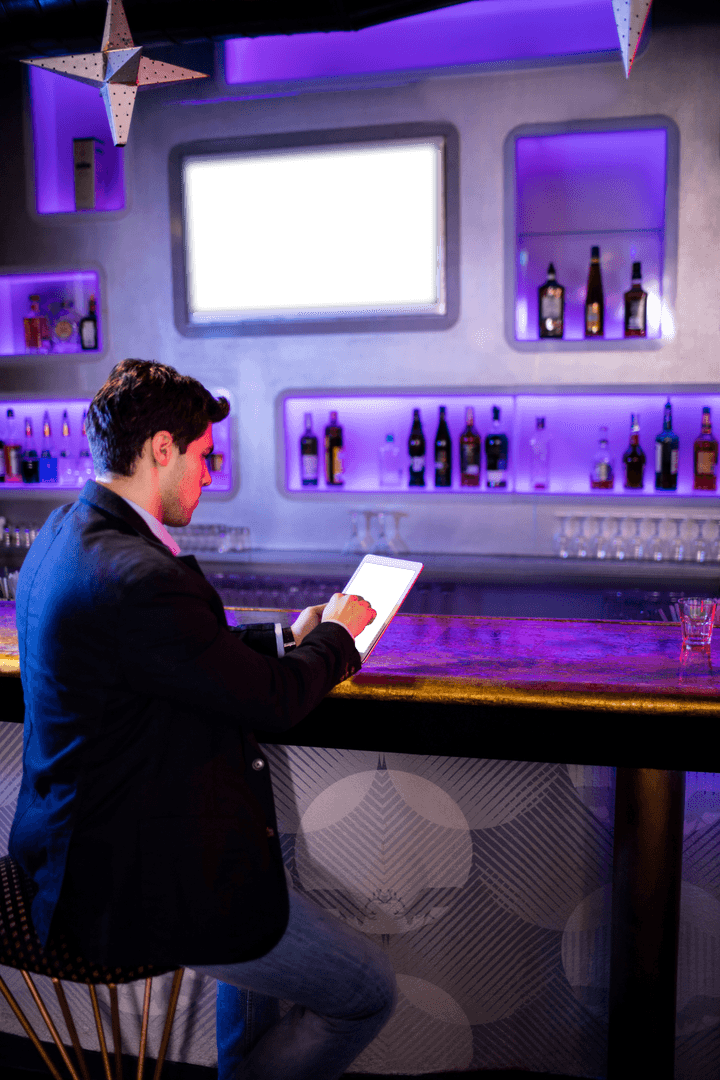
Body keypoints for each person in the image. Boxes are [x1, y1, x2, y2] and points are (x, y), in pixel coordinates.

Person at [9, 359, 397, 1080]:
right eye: (203, 456)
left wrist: (291, 638)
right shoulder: (141, 576)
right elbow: (274, 702)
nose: (208, 475)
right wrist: (338, 639)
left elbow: (169, 657)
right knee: (368, 993)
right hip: (125, 880)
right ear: (162, 448)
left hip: (68, 849)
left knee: (265, 858)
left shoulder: (69, 534)